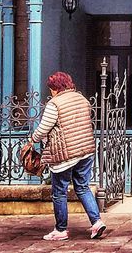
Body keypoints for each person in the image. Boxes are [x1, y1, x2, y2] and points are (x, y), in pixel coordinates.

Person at [28, 71, 106, 241]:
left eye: (51, 89)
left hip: (64, 155)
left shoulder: (54, 104)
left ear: (56, 88)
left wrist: (32, 139)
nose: (50, 92)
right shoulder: (82, 99)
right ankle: (96, 222)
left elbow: (44, 128)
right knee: (83, 187)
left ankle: (60, 230)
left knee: (59, 192)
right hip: (85, 151)